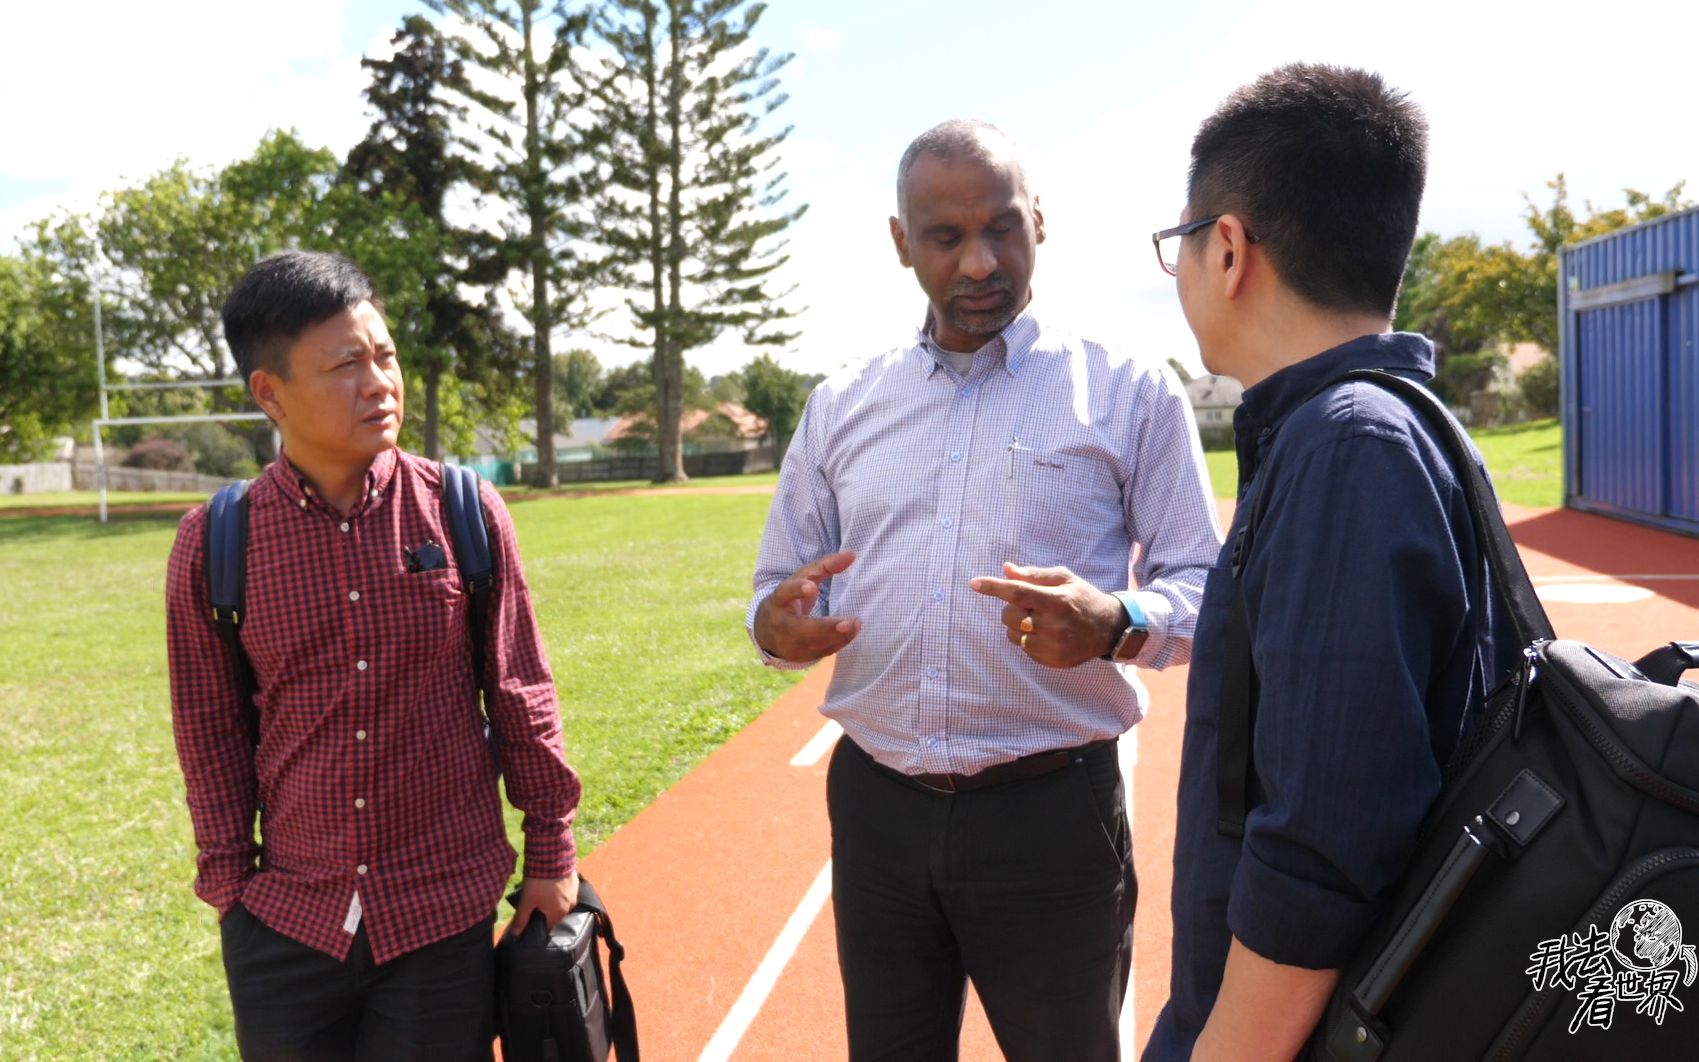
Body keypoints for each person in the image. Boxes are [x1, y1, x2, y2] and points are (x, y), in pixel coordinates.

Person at [747, 119, 1219, 1061]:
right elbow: (773, 588)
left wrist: (1117, 621)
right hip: (877, 807)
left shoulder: (1129, 391)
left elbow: (1206, 586)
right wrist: (775, 626)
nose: (978, 263)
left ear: (1039, 222)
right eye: (944, 236)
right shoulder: (842, 404)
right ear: (899, 243)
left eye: (1001, 228)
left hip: (1048, 816)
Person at [1143, 65, 1522, 1060]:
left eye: (1175, 245)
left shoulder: (1346, 445)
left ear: (1226, 248)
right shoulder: (1388, 427)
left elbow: (1322, 847)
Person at [165, 250, 581, 1061]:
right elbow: (209, 730)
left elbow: (519, 689)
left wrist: (550, 852)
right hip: (286, 926)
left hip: (441, 917)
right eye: (346, 364)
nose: (379, 382)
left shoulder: (463, 513)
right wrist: (230, 888)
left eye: (384, 355)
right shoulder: (215, 542)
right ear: (269, 393)